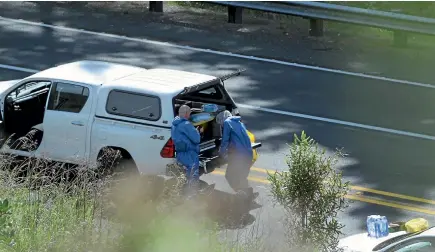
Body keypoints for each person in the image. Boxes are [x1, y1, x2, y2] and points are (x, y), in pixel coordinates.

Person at [171, 105, 213, 197]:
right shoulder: (186, 125)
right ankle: (192, 196)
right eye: (189, 113)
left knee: (184, 175)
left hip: (180, 153)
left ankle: (181, 194)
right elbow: (196, 139)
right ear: (186, 114)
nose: (190, 115)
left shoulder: (174, 123)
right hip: (189, 153)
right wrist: (198, 131)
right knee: (193, 174)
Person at [216, 110, 259, 201]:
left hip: (238, 156)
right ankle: (248, 193)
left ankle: (241, 194)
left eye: (221, 124)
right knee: (241, 176)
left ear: (222, 119)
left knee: (229, 175)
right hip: (248, 154)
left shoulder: (227, 122)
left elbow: (225, 141)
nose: (222, 126)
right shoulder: (239, 123)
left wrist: (221, 153)